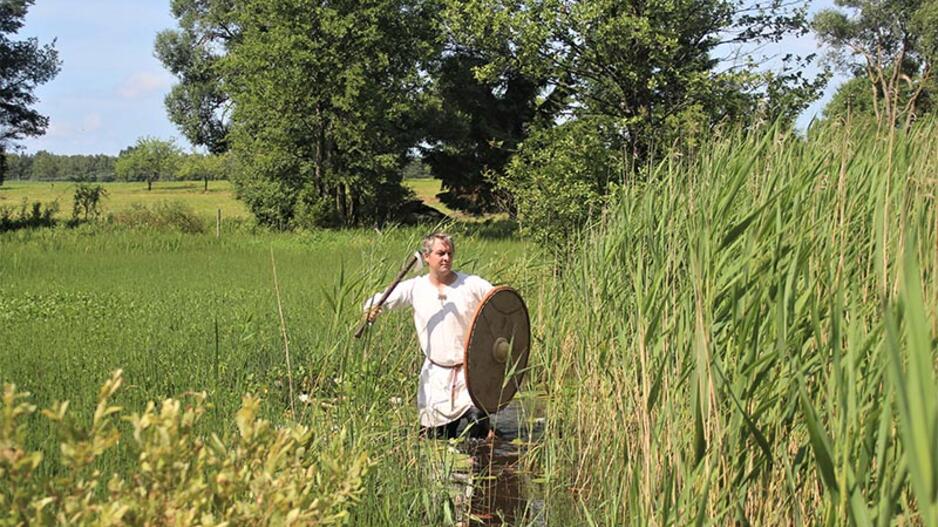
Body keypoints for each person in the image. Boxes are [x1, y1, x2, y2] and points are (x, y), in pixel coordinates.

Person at [363, 232, 494, 439]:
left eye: (450, 253)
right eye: (441, 253)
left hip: (469, 373)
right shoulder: (415, 288)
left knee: (478, 426)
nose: (446, 258)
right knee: (436, 438)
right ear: (427, 257)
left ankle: (481, 466)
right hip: (436, 375)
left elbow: (501, 303)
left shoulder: (471, 284)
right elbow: (377, 301)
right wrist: (371, 309)